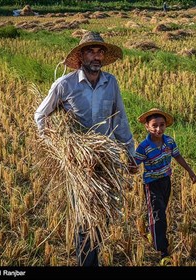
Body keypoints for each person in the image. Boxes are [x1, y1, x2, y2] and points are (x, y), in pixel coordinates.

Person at [34, 31, 138, 266]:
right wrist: (55, 146)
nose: (96, 56)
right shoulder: (64, 85)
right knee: (84, 217)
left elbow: (119, 118)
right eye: (91, 51)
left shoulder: (111, 83)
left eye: (100, 51)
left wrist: (131, 153)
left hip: (105, 159)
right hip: (78, 163)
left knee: (101, 215)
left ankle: (92, 258)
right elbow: (41, 115)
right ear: (80, 56)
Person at [134, 108, 196, 262]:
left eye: (162, 125)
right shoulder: (144, 147)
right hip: (152, 184)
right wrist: (128, 169)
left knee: (161, 212)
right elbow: (133, 166)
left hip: (166, 181)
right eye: (154, 125)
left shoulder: (169, 141)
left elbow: (177, 156)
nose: (158, 129)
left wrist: (190, 171)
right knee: (158, 215)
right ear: (147, 127)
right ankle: (162, 250)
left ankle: (154, 234)